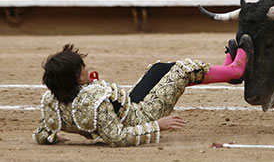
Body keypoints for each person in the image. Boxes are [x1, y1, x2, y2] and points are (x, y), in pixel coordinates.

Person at [33, 36, 253, 147]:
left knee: (159, 69)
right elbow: (116, 137)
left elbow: (43, 132)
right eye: (82, 67)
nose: (86, 68)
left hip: (129, 106)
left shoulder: (53, 99)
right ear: (75, 77)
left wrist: (54, 138)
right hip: (143, 115)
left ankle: (225, 70)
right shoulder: (93, 102)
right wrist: (157, 125)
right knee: (182, 71)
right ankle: (235, 71)